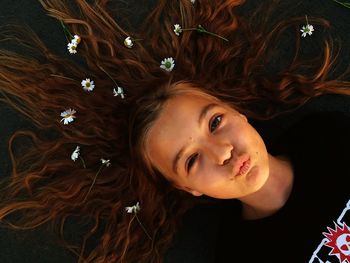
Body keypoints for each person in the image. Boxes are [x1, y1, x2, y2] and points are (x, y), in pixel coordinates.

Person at [0, 0, 349, 263]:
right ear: (188, 188)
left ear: (236, 111)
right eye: (192, 160)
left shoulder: (329, 137)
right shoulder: (240, 254)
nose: (222, 153)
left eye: (215, 122)